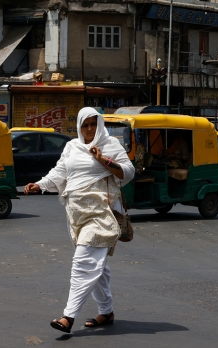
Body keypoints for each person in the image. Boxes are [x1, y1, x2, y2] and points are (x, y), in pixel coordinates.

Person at [24, 107, 135, 334]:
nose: (89, 129)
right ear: (79, 127)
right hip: (76, 212)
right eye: (85, 125)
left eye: (94, 124)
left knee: (83, 261)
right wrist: (40, 185)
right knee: (98, 265)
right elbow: (60, 172)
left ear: (100, 124)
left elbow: (128, 171)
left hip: (102, 211)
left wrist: (102, 159)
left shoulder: (110, 144)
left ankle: (68, 316)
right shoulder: (72, 147)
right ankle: (106, 311)